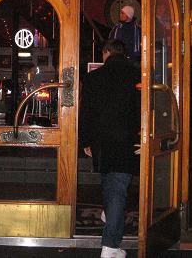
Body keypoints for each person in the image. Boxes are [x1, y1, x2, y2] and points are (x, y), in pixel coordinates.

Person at [79, 39, 140, 258]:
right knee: (116, 189)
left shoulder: (94, 77)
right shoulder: (136, 75)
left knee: (112, 186)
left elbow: (86, 112)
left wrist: (86, 141)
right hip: (126, 141)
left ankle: (110, 244)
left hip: (102, 142)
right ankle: (111, 239)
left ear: (106, 53)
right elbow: (142, 110)